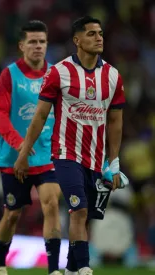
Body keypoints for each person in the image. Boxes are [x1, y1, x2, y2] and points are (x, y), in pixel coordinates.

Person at [14, 16, 125, 275]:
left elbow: (116, 120)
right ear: (77, 40)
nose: (99, 38)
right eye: (91, 34)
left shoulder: (112, 75)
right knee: (79, 208)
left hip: (96, 159)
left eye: (100, 33)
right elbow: (40, 115)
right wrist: (23, 152)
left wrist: (114, 161)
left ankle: (72, 270)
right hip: (65, 153)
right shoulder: (59, 73)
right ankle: (85, 268)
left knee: (85, 216)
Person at [0, 20, 62, 275]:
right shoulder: (9, 75)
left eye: (42, 42)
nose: (38, 47)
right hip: (14, 157)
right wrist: (19, 144)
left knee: (51, 203)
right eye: (32, 42)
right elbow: (0, 113)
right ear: (22, 45)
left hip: (46, 154)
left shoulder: (56, 74)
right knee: (12, 214)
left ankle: (54, 269)